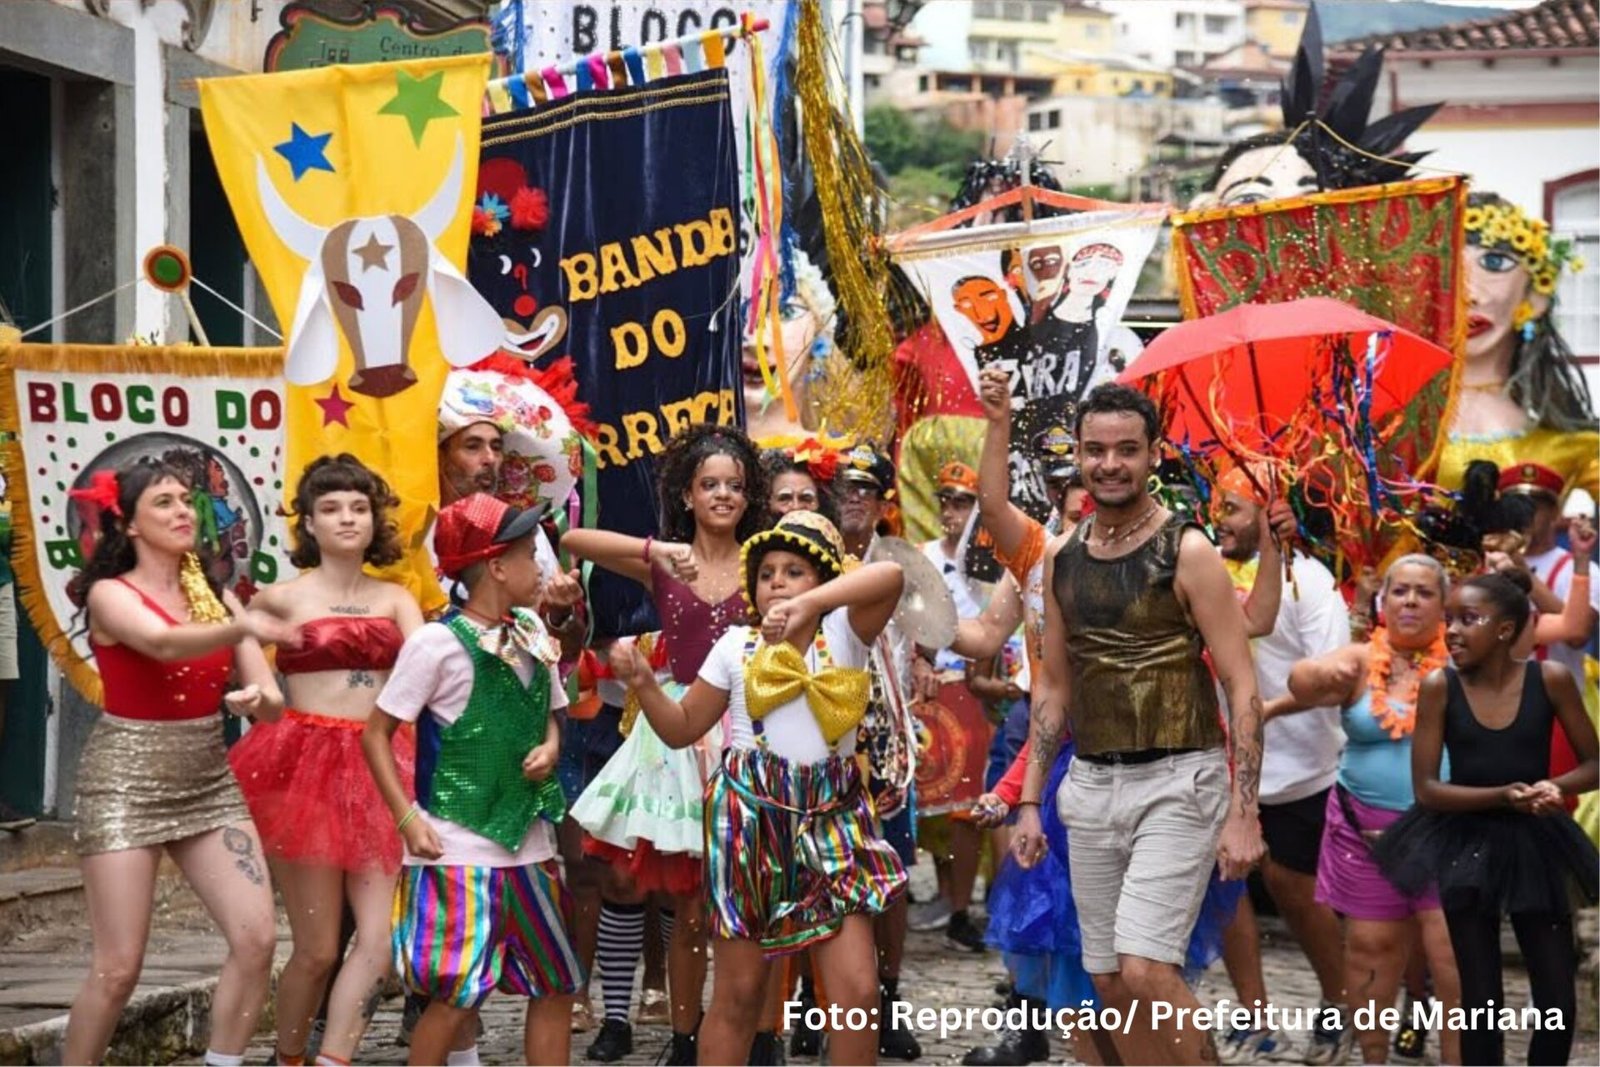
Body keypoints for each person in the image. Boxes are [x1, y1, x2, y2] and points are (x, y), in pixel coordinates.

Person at [1011, 383, 1266, 1066]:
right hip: (1092, 785)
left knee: (1148, 967)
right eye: (1095, 450)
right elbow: (1053, 685)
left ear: (1154, 453)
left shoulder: (1188, 550)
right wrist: (1030, 801)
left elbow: (1242, 682)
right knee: (1109, 980)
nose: (1110, 464)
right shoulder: (1061, 557)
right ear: (1077, 456)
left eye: (1127, 449)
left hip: (1181, 780)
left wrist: (1244, 812)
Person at [611, 510, 908, 1065]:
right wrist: (645, 684)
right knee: (740, 994)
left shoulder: (844, 634)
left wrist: (811, 605)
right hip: (751, 823)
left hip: (832, 818)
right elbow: (681, 728)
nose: (777, 582)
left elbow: (890, 577)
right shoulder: (735, 646)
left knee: (859, 993)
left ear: (823, 582)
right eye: (767, 573)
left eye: (795, 571)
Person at [60, 459, 295, 1067]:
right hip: (125, 783)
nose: (183, 511)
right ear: (130, 525)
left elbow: (271, 704)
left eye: (186, 500)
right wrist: (242, 626)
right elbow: (162, 643)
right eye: (163, 502)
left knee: (257, 940)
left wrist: (255, 697)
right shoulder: (111, 594)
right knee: (118, 968)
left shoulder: (216, 597)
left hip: (207, 780)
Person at [564, 423, 769, 1066]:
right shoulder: (666, 561)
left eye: (735, 485)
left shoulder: (762, 561)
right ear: (687, 494)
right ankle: (677, 1037)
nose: (723, 495)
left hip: (742, 729)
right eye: (709, 484)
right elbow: (574, 540)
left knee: (736, 900)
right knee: (675, 899)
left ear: (749, 496)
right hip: (673, 733)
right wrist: (656, 549)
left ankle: (754, 1035)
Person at [362, 493, 581, 1067]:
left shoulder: (531, 631)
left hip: (530, 847)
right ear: (496, 567)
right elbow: (376, 734)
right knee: (456, 997)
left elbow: (551, 714)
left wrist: (551, 747)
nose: (541, 567)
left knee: (556, 984)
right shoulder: (436, 644)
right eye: (531, 555)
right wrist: (406, 819)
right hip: (457, 849)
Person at [226, 455, 423, 1066]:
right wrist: (256, 699)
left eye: (359, 507)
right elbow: (259, 686)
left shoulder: (398, 598)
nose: (347, 518)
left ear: (375, 520)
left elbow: (433, 674)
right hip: (303, 767)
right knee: (315, 950)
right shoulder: (279, 598)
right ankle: (288, 1057)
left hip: (383, 764)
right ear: (308, 523)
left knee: (380, 943)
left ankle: (333, 1059)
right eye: (331, 508)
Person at [1373, 571, 1598, 1065]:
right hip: (1465, 840)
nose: (1452, 631)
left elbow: (1594, 764)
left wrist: (1556, 786)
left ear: (1504, 630)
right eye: (1449, 620)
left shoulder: (1549, 680)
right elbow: (1427, 789)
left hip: (1537, 842)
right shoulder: (1441, 687)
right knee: (1480, 999)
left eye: (1468, 619)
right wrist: (1503, 795)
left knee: (1557, 997)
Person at [1286, 555, 1462, 1066]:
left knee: (1451, 955)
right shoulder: (1360, 659)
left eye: (1424, 592)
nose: (1410, 601)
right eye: (1400, 590)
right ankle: (1373, 1058)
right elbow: (1301, 683)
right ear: (1384, 600)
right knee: (1368, 948)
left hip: (1445, 831)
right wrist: (1320, 670)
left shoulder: (1460, 663)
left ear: (1444, 604)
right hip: (1363, 833)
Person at [1209, 466, 1354, 1066]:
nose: (1218, 519)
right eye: (1215, 506)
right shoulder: (1206, 576)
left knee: (1295, 890)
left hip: (1299, 767)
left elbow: (1338, 675)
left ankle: (1341, 1003)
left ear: (1270, 516)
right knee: (1223, 888)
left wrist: (1267, 710)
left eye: (1232, 508)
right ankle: (1255, 1015)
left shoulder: (1311, 582)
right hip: (1220, 763)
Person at [827, 442, 925, 1061]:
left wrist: (929, 666)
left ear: (885, 501)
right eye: (845, 487)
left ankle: (887, 997)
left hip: (887, 740)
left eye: (866, 489)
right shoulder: (809, 555)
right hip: (825, 734)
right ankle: (811, 1002)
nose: (854, 499)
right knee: (818, 872)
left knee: (892, 877)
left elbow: (930, 635)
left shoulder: (903, 564)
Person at [916, 460, 992, 953]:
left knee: (967, 805)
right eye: (946, 501)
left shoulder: (992, 564)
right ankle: (943, 892)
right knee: (926, 801)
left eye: (962, 502)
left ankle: (962, 907)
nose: (951, 511)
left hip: (973, 690)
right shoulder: (921, 558)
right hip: (928, 687)